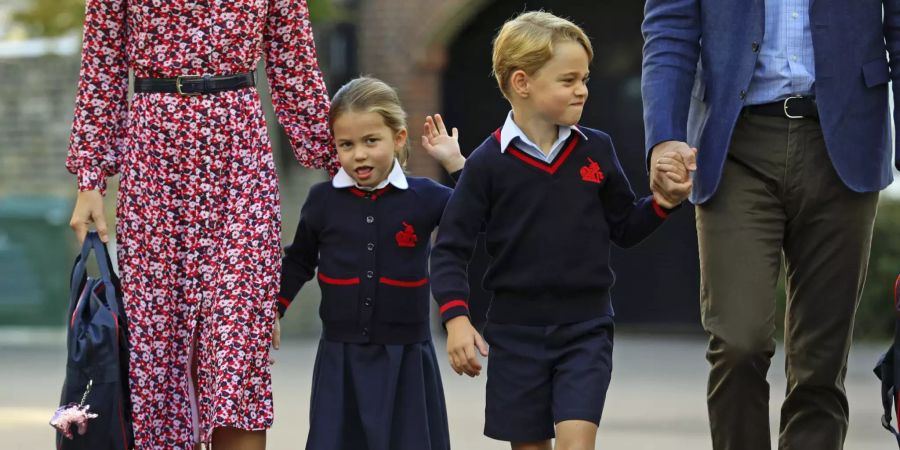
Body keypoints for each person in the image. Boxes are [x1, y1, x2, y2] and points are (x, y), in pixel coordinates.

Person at [65, 0, 336, 448]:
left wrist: (343, 165)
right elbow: (103, 62)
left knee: (237, 350)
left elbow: (295, 64)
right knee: (158, 354)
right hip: (155, 161)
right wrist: (90, 177)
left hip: (240, 164)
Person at [641, 1, 900, 449]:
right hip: (733, 142)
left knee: (821, 360)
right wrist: (664, 135)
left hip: (845, 141)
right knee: (737, 342)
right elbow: (670, 30)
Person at [429, 11, 692, 450]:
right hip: (514, 336)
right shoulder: (485, 165)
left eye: (584, 78)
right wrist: (456, 319)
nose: (583, 89)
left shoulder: (598, 149)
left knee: (576, 444)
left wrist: (664, 203)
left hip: (585, 330)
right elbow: (450, 248)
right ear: (522, 83)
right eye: (568, 79)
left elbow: (624, 225)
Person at [277, 77, 465, 450]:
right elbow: (298, 261)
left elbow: (483, 218)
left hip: (407, 356)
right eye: (346, 145)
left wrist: (457, 164)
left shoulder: (425, 197)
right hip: (340, 358)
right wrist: (273, 310)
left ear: (397, 138)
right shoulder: (322, 201)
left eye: (370, 141)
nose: (358, 154)